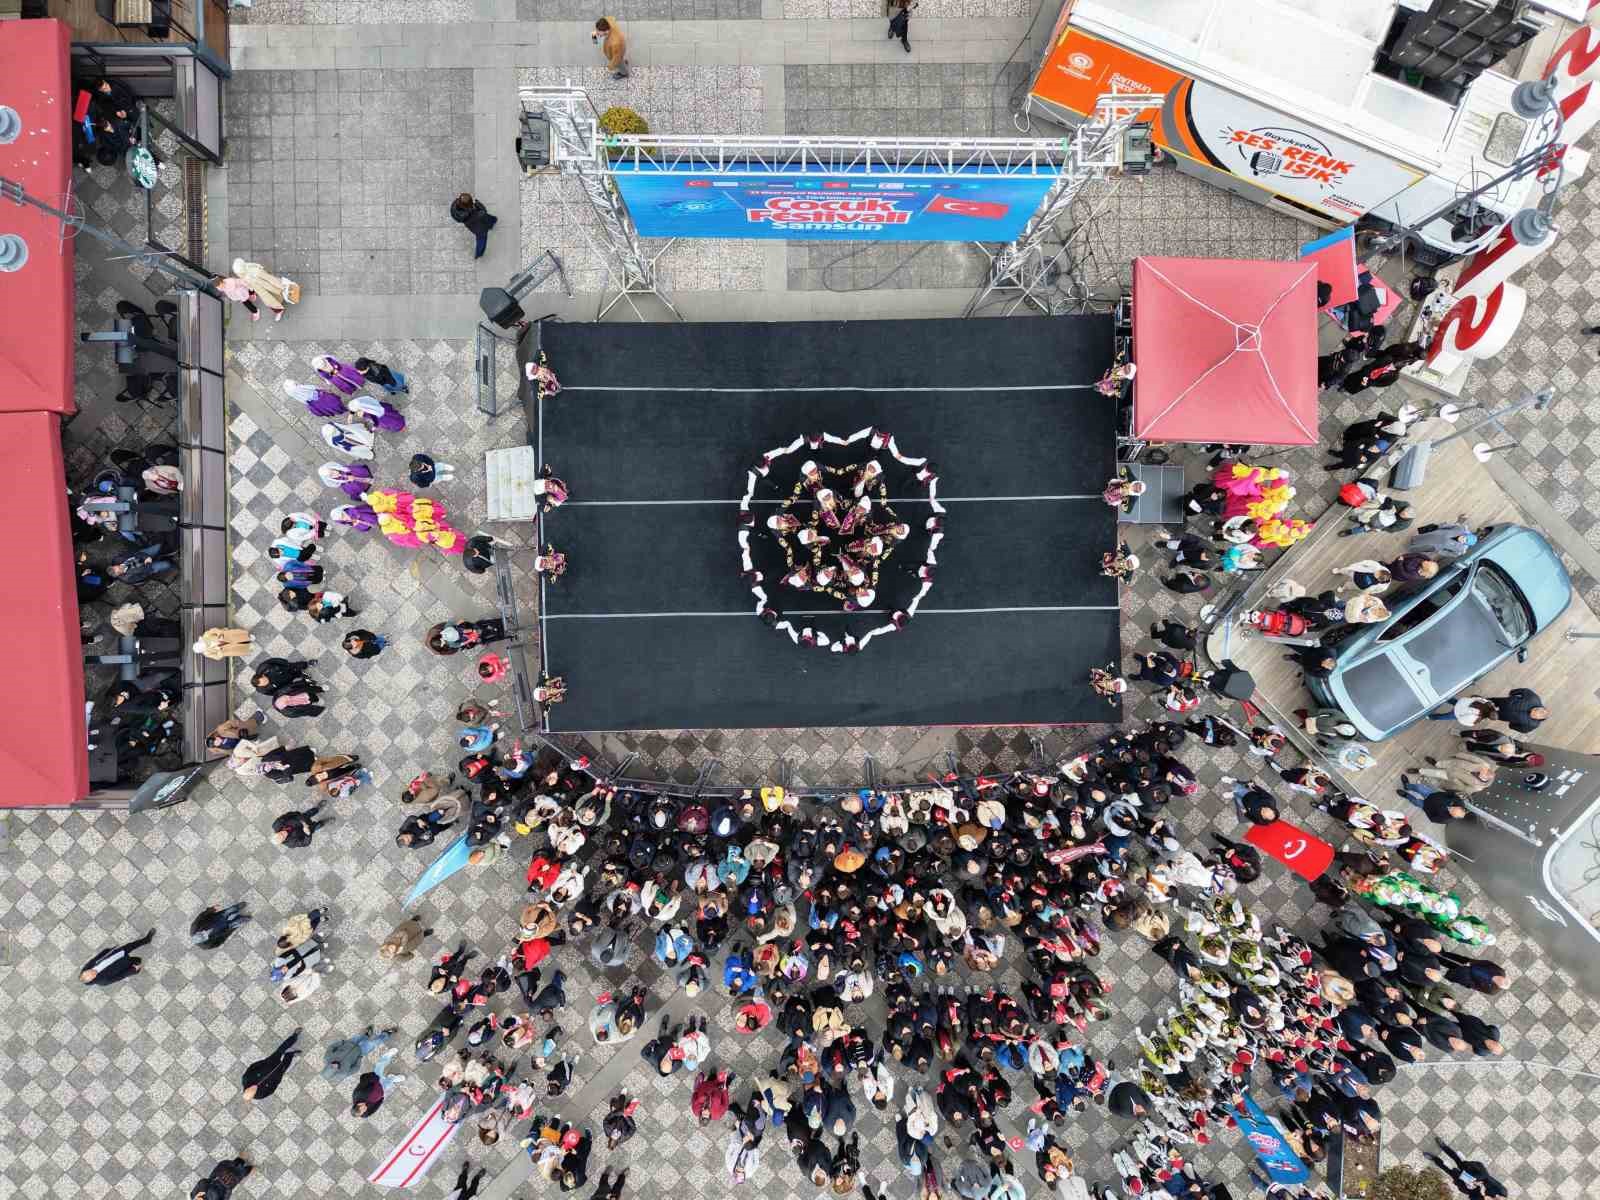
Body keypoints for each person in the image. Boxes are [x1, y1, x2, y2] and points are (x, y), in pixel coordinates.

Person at [1425, 1138, 1508, 1198]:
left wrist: (1480, 1193)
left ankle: (1434, 1158)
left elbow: (1472, 1197)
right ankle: (1444, 1146)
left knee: (1449, 1170)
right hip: (1475, 1175)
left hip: (1469, 1185)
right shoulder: (1502, 1192)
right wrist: (1477, 1181)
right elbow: (1487, 1177)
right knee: (1457, 1159)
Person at [80, 928, 155, 986]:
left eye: (88, 972)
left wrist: (109, 950)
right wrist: (133, 970)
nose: (92, 972)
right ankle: (139, 963)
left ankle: (147, 939)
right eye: (91, 975)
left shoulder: (89, 966)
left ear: (86, 971)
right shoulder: (103, 981)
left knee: (131, 945)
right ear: (92, 979)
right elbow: (120, 976)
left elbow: (98, 957)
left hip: (117, 954)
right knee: (138, 960)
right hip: (124, 964)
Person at [241, 1029, 300, 1101]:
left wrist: (264, 1062)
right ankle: (291, 1054)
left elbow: (252, 1067)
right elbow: (271, 1090)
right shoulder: (260, 1095)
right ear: (253, 1095)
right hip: (277, 1073)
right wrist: (278, 1079)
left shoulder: (246, 1079)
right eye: (253, 1091)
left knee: (280, 1050)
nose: (254, 1087)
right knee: (286, 1063)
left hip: (270, 1062)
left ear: (246, 1089)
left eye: (250, 1088)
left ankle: (294, 1036)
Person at [322, 1025, 394, 1081]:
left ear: (328, 1065)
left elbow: (331, 1047)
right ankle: (386, 1034)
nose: (335, 1065)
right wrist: (359, 1058)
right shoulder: (343, 1073)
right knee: (374, 1043)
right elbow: (356, 1068)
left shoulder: (327, 1058)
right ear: (336, 1072)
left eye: (332, 1065)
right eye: (335, 1068)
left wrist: (342, 1042)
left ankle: (366, 1034)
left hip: (349, 1043)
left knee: (360, 1036)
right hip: (360, 1051)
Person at [351, 1048, 406, 1116]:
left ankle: (388, 1055)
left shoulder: (358, 1094)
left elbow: (363, 1079)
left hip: (376, 1080)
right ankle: (392, 1078)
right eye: (363, 1112)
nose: (365, 1110)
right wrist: (381, 1098)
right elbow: (375, 1108)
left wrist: (375, 1077)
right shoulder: (365, 1114)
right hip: (382, 1090)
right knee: (389, 1082)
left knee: (380, 1064)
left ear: (358, 1104)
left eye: (363, 1109)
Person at [1415, 752, 1496, 794]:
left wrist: (1456, 780)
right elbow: (1472, 758)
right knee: (1444, 763)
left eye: (1482, 772)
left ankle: (1420, 771)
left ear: (1484, 778)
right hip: (1457, 764)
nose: (1480, 770)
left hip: (1453, 776)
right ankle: (1436, 763)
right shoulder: (1485, 765)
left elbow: (1465, 788)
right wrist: (1459, 755)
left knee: (1437, 773)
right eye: (1483, 770)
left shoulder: (1478, 787)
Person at [450, 193, 498, 258]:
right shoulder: (459, 212)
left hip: (477, 216)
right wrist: (475, 212)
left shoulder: (459, 204)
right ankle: (479, 254)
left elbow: (482, 210)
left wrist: (478, 206)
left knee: (486, 217)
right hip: (474, 224)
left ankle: (492, 222)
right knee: (482, 236)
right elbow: (461, 218)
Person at [108, 542, 176, 583]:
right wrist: (148, 564)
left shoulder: (116, 559)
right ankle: (169, 559)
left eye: (117, 566)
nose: (120, 566)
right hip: (147, 568)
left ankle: (170, 550)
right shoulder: (128, 578)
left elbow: (133, 552)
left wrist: (146, 557)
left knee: (159, 546)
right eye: (119, 568)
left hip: (141, 555)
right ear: (119, 574)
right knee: (167, 564)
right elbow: (144, 575)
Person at [1425, 696, 1497, 726]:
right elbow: (1462, 720)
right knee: (1444, 717)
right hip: (1457, 712)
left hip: (1462, 702)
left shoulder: (1487, 703)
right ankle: (1431, 717)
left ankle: (1441, 696)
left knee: (1453, 701)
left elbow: (1475, 697)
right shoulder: (1478, 718)